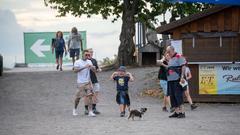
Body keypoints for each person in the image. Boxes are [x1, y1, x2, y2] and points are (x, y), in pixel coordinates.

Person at [72, 50, 96, 117]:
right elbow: (75, 71)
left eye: (88, 55)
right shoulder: (77, 62)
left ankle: (90, 111)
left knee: (90, 96)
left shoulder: (89, 61)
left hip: (88, 82)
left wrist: (93, 68)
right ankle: (74, 109)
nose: (87, 56)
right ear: (82, 55)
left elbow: (94, 71)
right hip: (80, 83)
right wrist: (84, 67)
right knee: (78, 98)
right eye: (86, 55)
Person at [166, 45, 186, 118]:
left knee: (178, 95)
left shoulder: (179, 56)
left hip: (177, 79)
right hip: (170, 80)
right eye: (167, 51)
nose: (168, 53)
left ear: (173, 50)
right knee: (172, 96)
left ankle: (182, 112)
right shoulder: (171, 58)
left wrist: (182, 77)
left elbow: (183, 66)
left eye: (169, 51)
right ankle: (177, 112)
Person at [84, 48, 101, 115]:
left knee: (95, 94)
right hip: (86, 80)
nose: (91, 53)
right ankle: (86, 109)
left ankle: (94, 108)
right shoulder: (84, 61)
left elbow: (96, 69)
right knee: (86, 95)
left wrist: (98, 70)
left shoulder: (94, 60)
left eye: (92, 52)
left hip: (94, 80)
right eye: (90, 52)